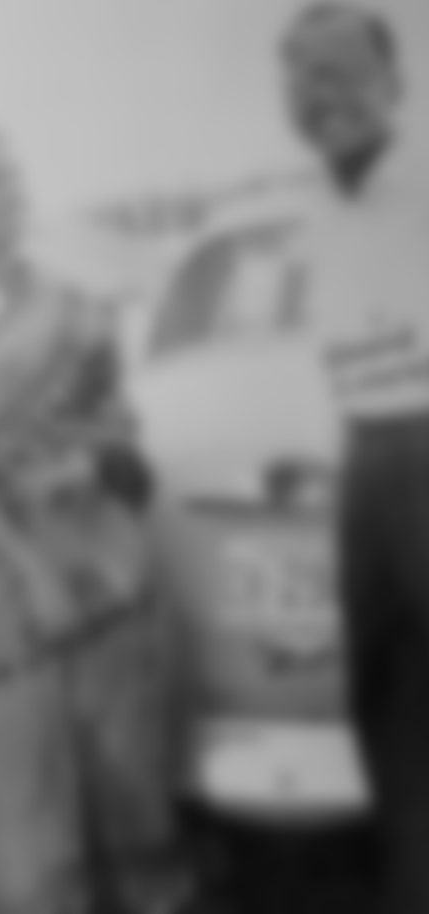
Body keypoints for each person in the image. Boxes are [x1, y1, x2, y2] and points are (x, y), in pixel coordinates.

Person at [0, 125, 193, 914]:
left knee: (132, 784)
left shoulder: (67, 300)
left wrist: (93, 469)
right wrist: (31, 573)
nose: (12, 195)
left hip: (101, 557)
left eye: (13, 178)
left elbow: (116, 420)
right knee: (24, 819)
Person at [280, 6, 429, 912]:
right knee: (385, 724)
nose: (321, 94)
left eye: (340, 72)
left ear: (393, 84)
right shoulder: (310, 215)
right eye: (305, 77)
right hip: (358, 470)